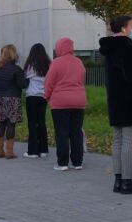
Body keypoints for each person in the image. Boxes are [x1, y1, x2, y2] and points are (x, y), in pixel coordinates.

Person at [99, 16, 132, 194]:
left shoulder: (110, 48)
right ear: (123, 28)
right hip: (130, 101)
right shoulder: (125, 46)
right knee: (129, 141)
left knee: (118, 141)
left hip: (115, 100)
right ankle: (127, 182)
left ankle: (118, 180)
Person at [44, 37, 86, 171]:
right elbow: (82, 80)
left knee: (62, 133)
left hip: (60, 102)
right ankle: (77, 162)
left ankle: (62, 163)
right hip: (78, 101)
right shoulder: (79, 62)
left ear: (59, 48)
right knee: (76, 132)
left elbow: (49, 82)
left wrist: (47, 96)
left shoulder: (56, 63)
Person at [0, 44, 28, 159]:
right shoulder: (16, 69)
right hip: (13, 99)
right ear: (13, 54)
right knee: (11, 124)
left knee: (1, 123)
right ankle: (9, 152)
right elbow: (22, 84)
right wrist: (28, 80)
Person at [23, 43, 51, 158]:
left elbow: (24, 78)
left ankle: (33, 151)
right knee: (41, 122)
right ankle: (43, 150)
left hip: (32, 97)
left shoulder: (30, 65)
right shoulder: (48, 65)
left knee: (32, 123)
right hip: (43, 97)